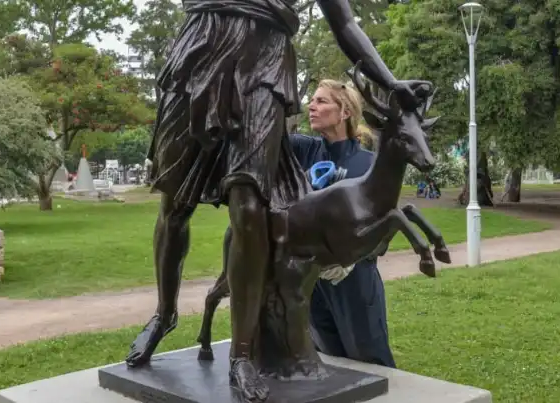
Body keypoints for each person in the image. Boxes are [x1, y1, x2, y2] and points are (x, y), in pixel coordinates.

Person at [126, 0, 430, 400]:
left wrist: (389, 81)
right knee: (174, 203)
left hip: (265, 62)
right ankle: (165, 314)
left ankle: (242, 354)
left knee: (249, 208)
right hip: (200, 48)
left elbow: (344, 20)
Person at [289, 79, 397, 368]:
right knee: (329, 363)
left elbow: (385, 228)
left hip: (354, 281)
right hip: (312, 281)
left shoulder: (369, 164)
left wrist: (354, 259)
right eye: (311, 100)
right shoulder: (304, 150)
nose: (311, 106)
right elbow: (265, 134)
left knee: (371, 363)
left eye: (321, 101)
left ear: (345, 111)